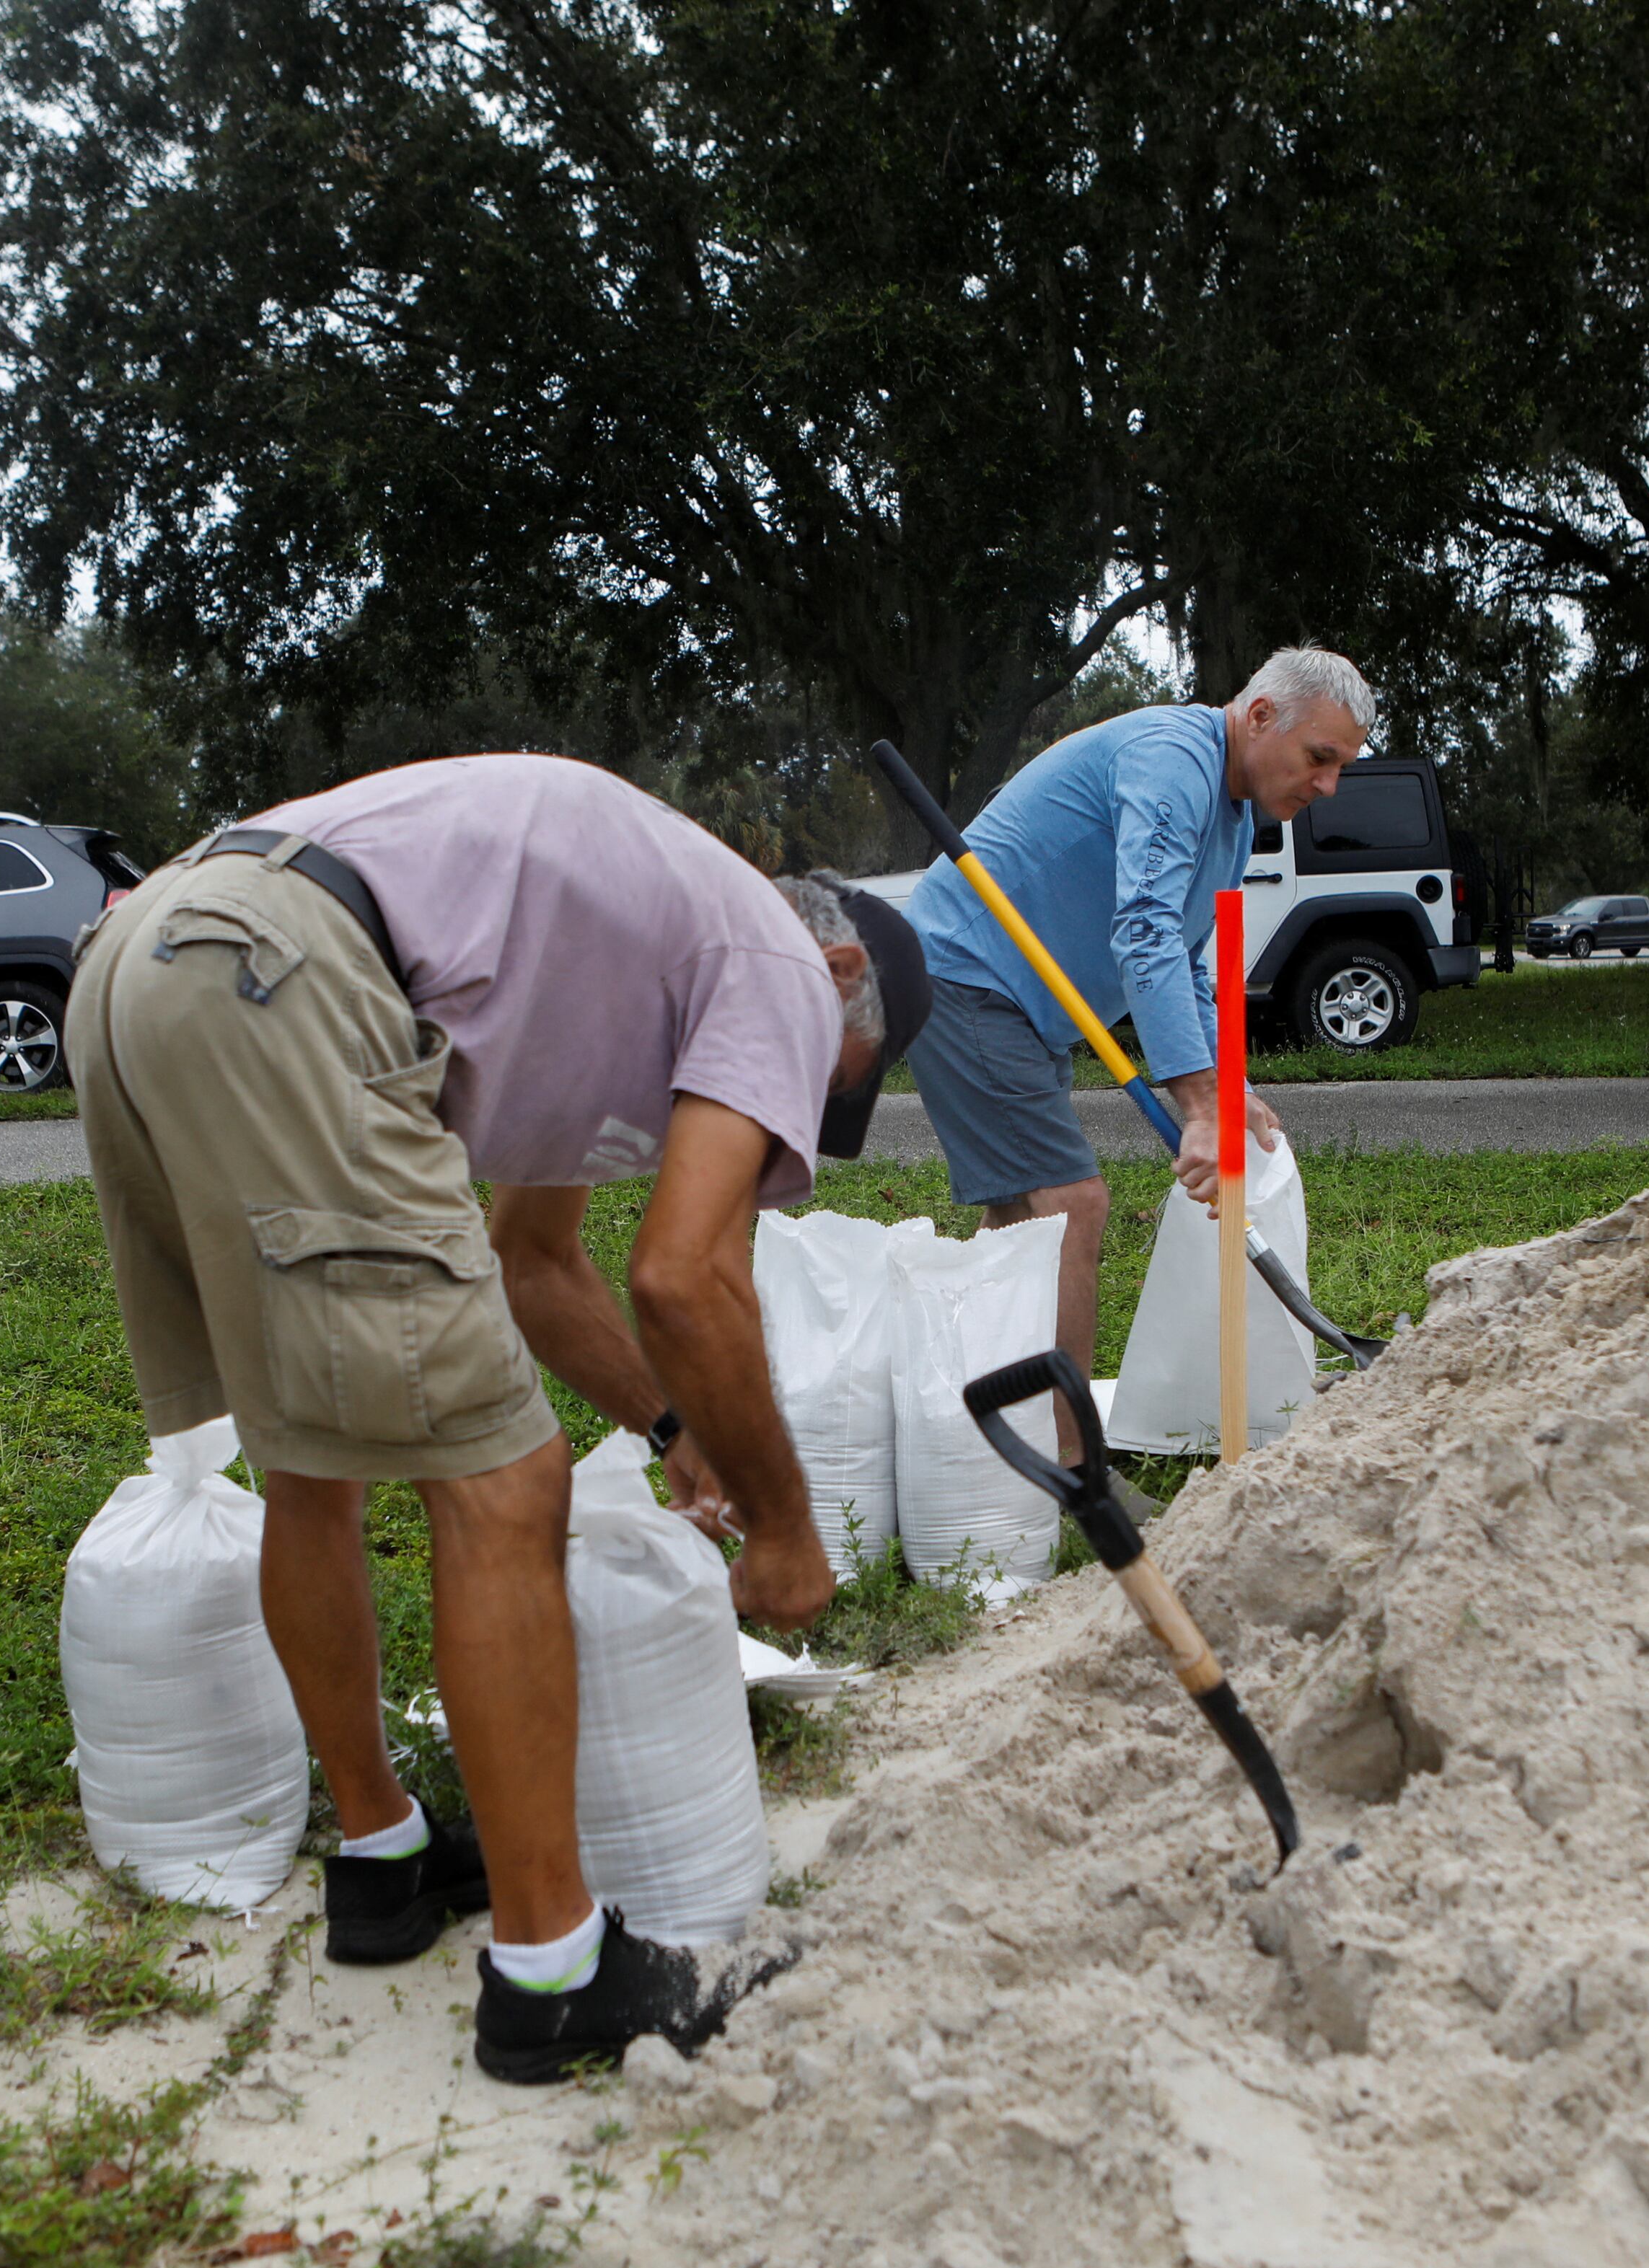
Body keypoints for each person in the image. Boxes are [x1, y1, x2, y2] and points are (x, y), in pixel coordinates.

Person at [69, 756, 929, 2084]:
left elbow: (537, 1262)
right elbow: (684, 1276)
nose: (777, 1124)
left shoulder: (615, 950)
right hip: (283, 970)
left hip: (149, 959)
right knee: (510, 1484)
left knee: (311, 1453)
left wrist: (668, 1427)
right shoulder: (773, 950)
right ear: (831, 978)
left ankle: (383, 1861)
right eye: (813, 1086)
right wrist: (789, 1530)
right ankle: (553, 1972)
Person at [902, 646, 1375, 1455]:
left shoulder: (1231, 817)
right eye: (1319, 758)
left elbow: (1189, 955)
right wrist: (1194, 1104)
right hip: (968, 974)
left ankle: (969, 1419)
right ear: (1260, 717)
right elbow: (1144, 932)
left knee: (1018, 1223)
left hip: (1022, 1003)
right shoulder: (1172, 762)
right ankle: (1071, 1468)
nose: (1326, 785)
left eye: (1340, 767)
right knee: (1068, 1204)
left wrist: (1225, 1084)